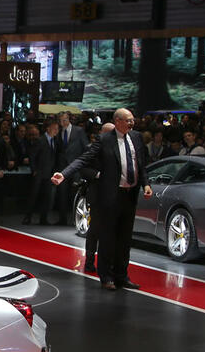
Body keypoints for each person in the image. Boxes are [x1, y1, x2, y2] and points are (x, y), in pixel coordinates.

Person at [52, 108, 152, 291]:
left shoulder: (136, 137)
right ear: (118, 121)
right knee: (107, 238)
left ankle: (122, 276)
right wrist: (64, 174)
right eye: (128, 120)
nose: (132, 123)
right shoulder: (105, 140)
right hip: (112, 195)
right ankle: (106, 277)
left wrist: (146, 184)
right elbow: (83, 160)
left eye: (133, 120)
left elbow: (141, 164)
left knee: (125, 239)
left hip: (130, 195)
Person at [79, 122, 116, 275]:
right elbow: (83, 168)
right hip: (97, 194)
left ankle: (108, 263)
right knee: (95, 229)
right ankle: (89, 261)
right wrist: (98, 175)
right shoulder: (91, 149)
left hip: (114, 195)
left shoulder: (118, 149)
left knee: (111, 231)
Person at [24, 120, 61, 225]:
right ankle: (28, 217)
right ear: (48, 129)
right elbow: (32, 156)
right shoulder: (40, 140)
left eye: (57, 129)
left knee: (47, 196)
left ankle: (43, 218)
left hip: (49, 173)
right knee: (34, 195)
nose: (56, 131)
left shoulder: (55, 141)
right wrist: (34, 170)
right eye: (54, 129)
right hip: (39, 172)